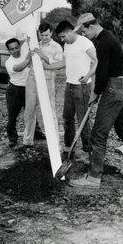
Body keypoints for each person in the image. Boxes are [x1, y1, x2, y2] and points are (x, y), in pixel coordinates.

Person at [69, 13, 123, 189]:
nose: (84, 35)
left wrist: (95, 92)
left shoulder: (102, 42)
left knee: (98, 134)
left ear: (91, 26)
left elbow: (102, 72)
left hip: (113, 88)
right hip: (122, 86)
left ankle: (93, 178)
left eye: (84, 32)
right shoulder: (109, 37)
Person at [45, 20, 97, 156]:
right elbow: (62, 63)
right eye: (60, 38)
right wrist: (46, 66)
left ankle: (88, 150)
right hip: (69, 85)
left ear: (70, 31)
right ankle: (68, 147)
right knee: (67, 119)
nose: (62, 40)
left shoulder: (85, 42)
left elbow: (97, 61)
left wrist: (87, 76)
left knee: (83, 120)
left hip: (82, 87)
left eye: (63, 36)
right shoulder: (67, 46)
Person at [22, 22, 63, 147]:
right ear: (38, 34)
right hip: (32, 80)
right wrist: (28, 48)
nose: (44, 38)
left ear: (51, 33)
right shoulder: (35, 44)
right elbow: (27, 62)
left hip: (47, 81)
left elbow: (59, 64)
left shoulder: (57, 47)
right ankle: (27, 141)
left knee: (50, 111)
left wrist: (43, 55)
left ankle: (54, 142)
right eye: (41, 35)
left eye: (46, 35)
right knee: (29, 111)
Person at [3, 38, 43, 147]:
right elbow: (18, 68)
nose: (15, 50)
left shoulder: (24, 50)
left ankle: (37, 133)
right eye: (12, 49)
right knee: (12, 116)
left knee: (31, 113)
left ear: (19, 46)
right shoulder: (9, 62)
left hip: (28, 89)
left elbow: (30, 39)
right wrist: (27, 60)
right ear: (8, 51)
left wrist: (30, 38)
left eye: (16, 47)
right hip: (14, 90)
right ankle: (12, 138)